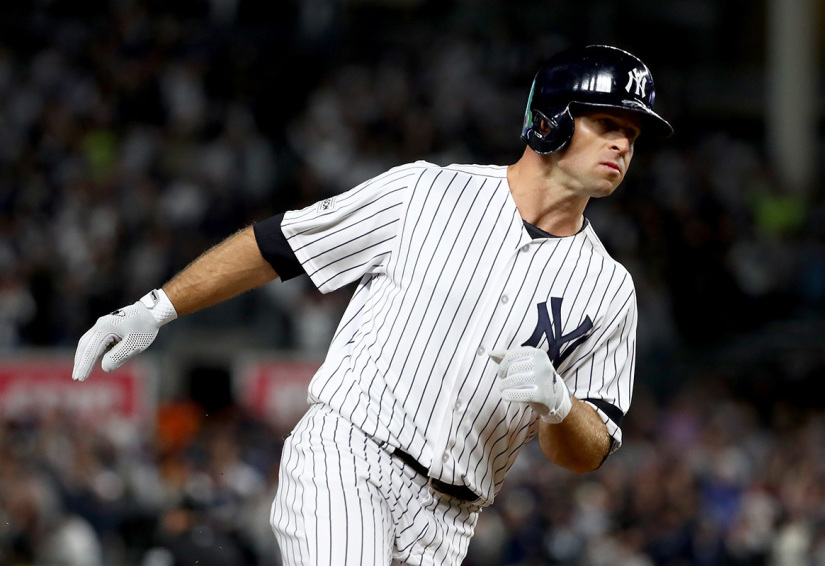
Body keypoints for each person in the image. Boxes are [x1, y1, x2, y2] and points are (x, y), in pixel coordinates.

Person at [72, 44, 673, 566]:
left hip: (451, 518)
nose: (623, 142)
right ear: (551, 122)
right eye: (607, 123)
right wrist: (156, 307)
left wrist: (561, 406)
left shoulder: (610, 288)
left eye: (633, 134)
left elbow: (589, 450)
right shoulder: (427, 194)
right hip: (350, 454)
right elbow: (282, 244)